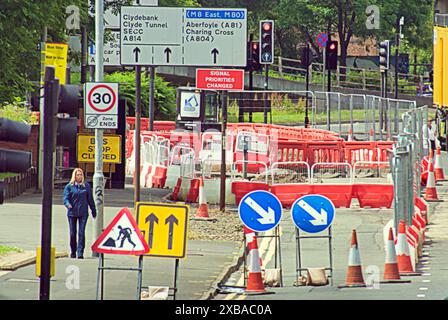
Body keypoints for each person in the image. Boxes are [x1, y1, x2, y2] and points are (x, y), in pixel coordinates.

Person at [63, 168, 97, 259]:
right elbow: (65, 198)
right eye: (78, 175)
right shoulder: (69, 186)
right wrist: (67, 204)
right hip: (72, 213)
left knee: (81, 232)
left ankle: (80, 252)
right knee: (72, 233)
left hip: (83, 213)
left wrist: (93, 210)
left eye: (81, 174)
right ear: (74, 176)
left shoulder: (86, 186)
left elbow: (90, 199)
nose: (79, 176)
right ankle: (73, 251)